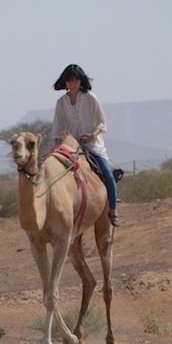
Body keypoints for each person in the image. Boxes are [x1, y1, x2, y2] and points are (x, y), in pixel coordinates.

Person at [51, 64, 120, 227]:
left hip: (93, 146)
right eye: (69, 80)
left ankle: (113, 210)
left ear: (81, 81)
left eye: (75, 80)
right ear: (64, 82)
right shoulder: (61, 102)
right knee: (52, 173)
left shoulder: (90, 98)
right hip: (71, 147)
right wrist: (56, 147)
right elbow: (57, 128)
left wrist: (92, 136)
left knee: (108, 174)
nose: (72, 83)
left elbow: (102, 123)